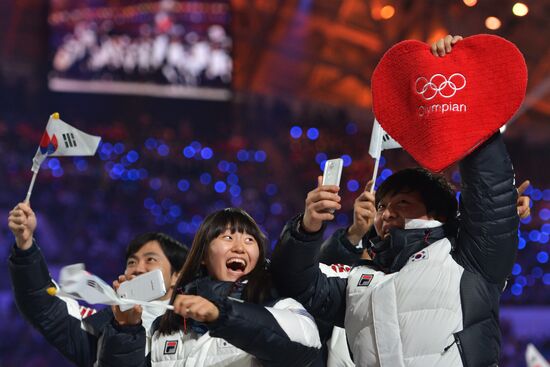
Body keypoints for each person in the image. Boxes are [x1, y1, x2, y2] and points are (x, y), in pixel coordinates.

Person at [272, 37, 521, 366]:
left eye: (401, 203)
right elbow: (294, 282)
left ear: (437, 212)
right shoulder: (358, 279)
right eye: (382, 206)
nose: (386, 213)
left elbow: (490, 189)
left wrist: (457, 75)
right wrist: (307, 229)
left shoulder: (470, 258)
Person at [97, 207, 322, 367]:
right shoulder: (166, 325)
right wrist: (125, 331)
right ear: (203, 255)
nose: (240, 248)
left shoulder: (282, 308)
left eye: (249, 240)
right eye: (227, 237)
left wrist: (220, 314)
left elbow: (304, 346)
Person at [7, 201, 188, 366]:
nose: (138, 269)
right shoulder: (99, 325)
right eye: (131, 262)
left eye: (150, 260)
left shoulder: (200, 325)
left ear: (177, 276)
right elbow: (44, 307)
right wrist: (25, 245)